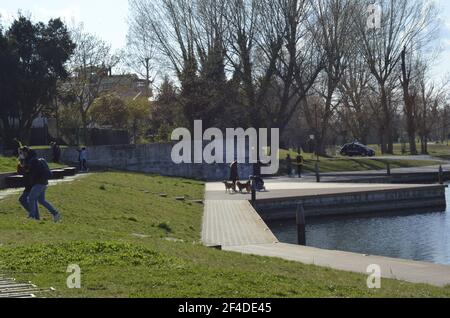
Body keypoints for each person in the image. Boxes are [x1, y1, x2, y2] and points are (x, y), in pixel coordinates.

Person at [22, 147, 61, 222]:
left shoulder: (32, 160)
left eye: (24, 153)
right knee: (41, 200)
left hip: (39, 183)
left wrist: (26, 168)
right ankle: (56, 214)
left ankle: (32, 216)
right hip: (43, 182)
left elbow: (31, 171)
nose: (23, 154)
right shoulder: (33, 159)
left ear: (27, 152)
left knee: (31, 198)